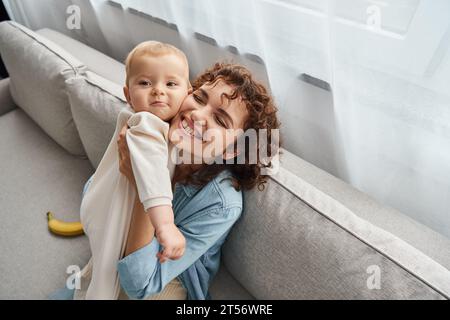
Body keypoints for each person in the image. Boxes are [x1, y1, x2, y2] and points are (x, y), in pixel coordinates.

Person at [113, 62, 281, 300]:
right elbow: (97, 197)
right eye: (200, 98)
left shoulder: (222, 205)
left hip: (172, 278)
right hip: (130, 244)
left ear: (232, 150)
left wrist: (143, 183)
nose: (198, 116)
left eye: (221, 120)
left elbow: (139, 285)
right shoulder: (152, 137)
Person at [76, 41, 191, 299]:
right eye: (145, 83)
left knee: (106, 266)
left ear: (187, 91)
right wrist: (166, 225)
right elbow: (152, 170)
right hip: (112, 211)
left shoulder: (166, 125)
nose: (158, 91)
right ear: (128, 95)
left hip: (100, 203)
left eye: (171, 84)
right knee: (106, 278)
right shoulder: (145, 123)